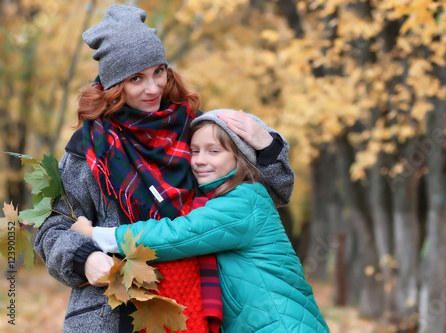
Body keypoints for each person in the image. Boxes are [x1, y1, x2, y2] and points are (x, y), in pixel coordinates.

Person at [34, 4, 294, 333]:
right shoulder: (87, 153)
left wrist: (266, 145)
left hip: (200, 308)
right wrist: (82, 258)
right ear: (115, 86)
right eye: (136, 79)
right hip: (115, 315)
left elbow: (271, 195)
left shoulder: (196, 133)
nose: (153, 88)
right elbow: (51, 229)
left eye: (159, 71)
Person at [72, 109, 330, 333]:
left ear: (241, 158)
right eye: (194, 151)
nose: (199, 161)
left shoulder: (244, 200)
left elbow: (178, 234)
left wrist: (97, 235)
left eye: (213, 151)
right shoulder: (228, 198)